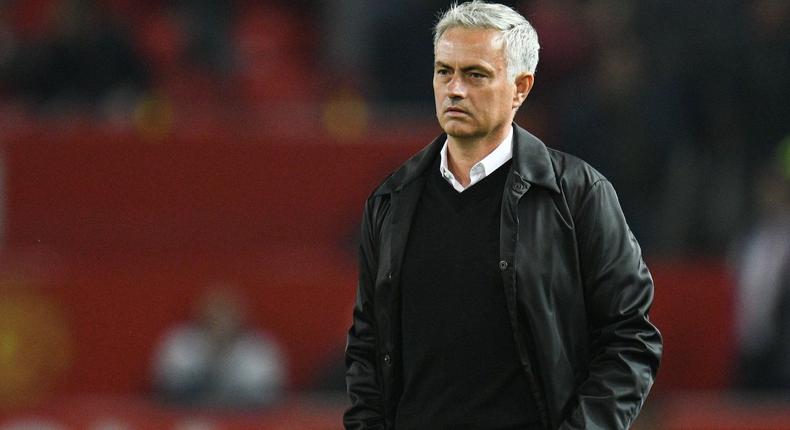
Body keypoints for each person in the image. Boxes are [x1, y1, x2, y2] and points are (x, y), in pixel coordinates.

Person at [344, 2, 662, 429]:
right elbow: (367, 347)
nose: (454, 89)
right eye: (444, 71)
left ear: (520, 87)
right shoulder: (390, 201)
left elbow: (630, 339)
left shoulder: (579, 195)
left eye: (475, 74)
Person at [151, 286, 286, 409]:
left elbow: (265, 395)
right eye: (215, 311)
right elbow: (169, 387)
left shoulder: (260, 348)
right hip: (188, 416)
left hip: (245, 421)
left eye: (226, 312)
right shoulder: (179, 342)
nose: (220, 319)